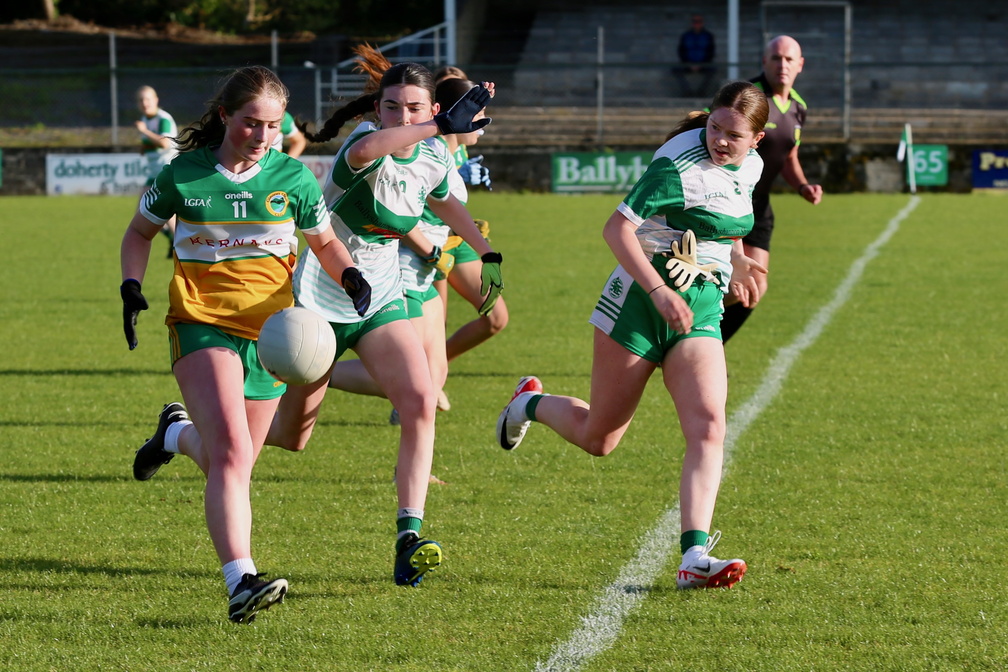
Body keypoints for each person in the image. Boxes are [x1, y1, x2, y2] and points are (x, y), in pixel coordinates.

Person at [495, 80, 769, 590]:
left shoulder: (750, 166)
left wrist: (735, 259)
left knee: (709, 426)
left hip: (701, 305)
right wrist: (659, 290)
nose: (720, 141)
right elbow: (616, 229)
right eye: (714, 127)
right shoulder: (676, 168)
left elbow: (725, 225)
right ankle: (529, 404)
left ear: (757, 139)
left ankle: (693, 556)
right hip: (639, 303)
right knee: (600, 439)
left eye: (734, 134)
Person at [119, 66, 368, 623]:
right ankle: (240, 580)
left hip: (274, 335)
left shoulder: (295, 180)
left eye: (273, 126)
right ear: (226, 115)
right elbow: (138, 232)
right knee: (232, 450)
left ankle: (176, 433)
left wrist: (349, 274)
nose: (261, 136)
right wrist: (131, 285)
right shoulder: (182, 176)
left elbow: (324, 242)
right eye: (251, 123)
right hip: (200, 323)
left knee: (231, 463)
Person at [265, 59, 503, 588]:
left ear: (433, 108)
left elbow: (442, 201)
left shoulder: (436, 154)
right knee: (288, 437)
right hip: (317, 302)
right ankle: (183, 432)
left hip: (379, 298)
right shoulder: (366, 143)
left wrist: (486, 250)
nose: (401, 116)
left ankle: (408, 536)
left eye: (415, 107)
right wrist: (438, 125)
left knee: (419, 399)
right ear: (377, 111)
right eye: (392, 107)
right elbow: (368, 152)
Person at [719, 35, 824, 343]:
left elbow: (789, 155)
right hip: (727, 201)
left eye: (789, 59)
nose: (782, 65)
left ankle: (706, 347)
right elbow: (707, 125)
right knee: (726, 285)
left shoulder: (798, 107)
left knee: (754, 287)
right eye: (776, 58)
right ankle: (686, 340)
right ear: (764, 62)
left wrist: (803, 186)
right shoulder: (748, 99)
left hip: (760, 205)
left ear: (800, 65)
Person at [134, 85, 178, 257]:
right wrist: (144, 146)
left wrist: (144, 132)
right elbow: (153, 143)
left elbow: (165, 143)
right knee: (143, 212)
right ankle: (174, 240)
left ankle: (179, 244)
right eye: (141, 100)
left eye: (148, 99)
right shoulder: (144, 119)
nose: (145, 103)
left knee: (157, 212)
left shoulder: (163, 119)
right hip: (154, 172)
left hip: (166, 170)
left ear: (156, 100)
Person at [674, 14, 716, 98]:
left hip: (704, 64)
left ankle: (701, 92)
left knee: (712, 70)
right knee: (676, 70)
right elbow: (681, 51)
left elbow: (710, 52)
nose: (697, 24)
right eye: (695, 22)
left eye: (699, 22)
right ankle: (687, 92)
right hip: (688, 64)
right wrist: (689, 64)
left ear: (702, 23)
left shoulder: (708, 36)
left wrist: (701, 64)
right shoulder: (686, 36)